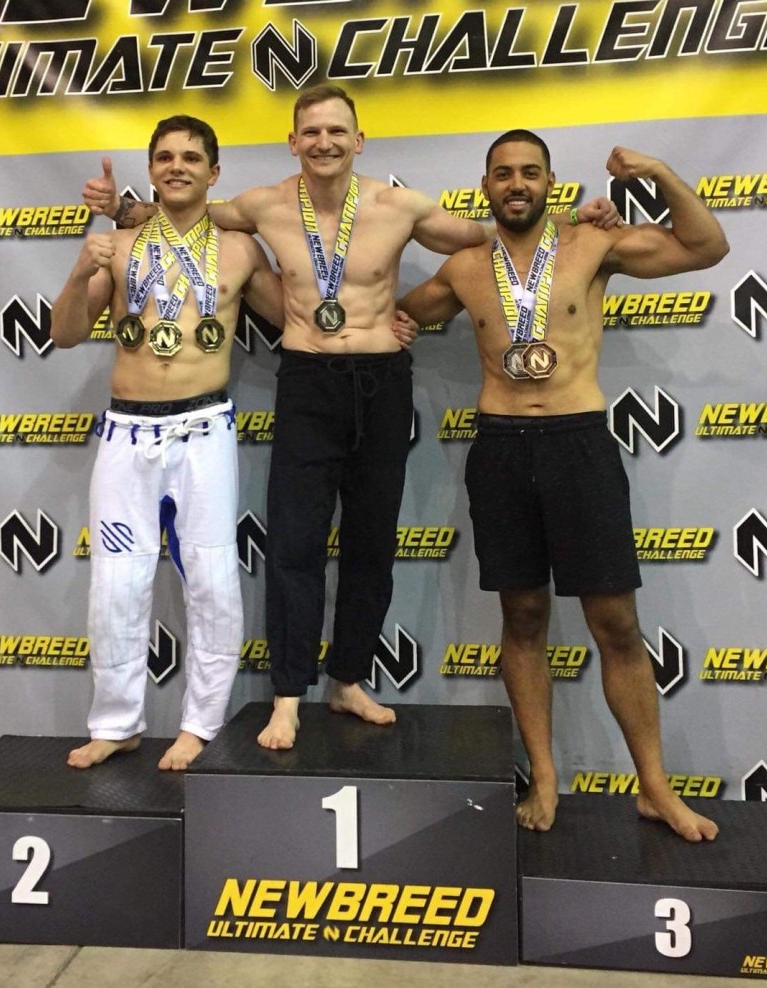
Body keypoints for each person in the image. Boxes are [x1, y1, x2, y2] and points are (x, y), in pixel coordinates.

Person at [83, 88, 618, 751]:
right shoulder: (265, 206)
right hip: (308, 383)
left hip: (382, 383)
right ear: (293, 141)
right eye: (311, 131)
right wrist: (124, 208)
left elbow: (496, 231)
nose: (325, 141)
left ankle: (350, 678)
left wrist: (572, 223)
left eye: (337, 130)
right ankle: (287, 696)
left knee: (371, 543)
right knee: (295, 545)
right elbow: (187, 212)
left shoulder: (399, 206)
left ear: (360, 140)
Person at [398, 131, 728, 842]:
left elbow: (705, 248)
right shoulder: (462, 268)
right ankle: (544, 777)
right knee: (522, 621)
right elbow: (398, 314)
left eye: (531, 173)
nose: (517, 183)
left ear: (550, 183)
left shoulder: (592, 246)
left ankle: (655, 788)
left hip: (580, 445)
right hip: (502, 450)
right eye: (504, 173)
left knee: (616, 625)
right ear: (484, 185)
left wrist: (659, 170)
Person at [52, 114, 283, 771]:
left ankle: (201, 724)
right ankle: (118, 723)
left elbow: (297, 319)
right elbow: (65, 333)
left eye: (190, 157)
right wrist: (79, 270)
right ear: (151, 170)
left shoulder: (239, 250)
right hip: (127, 431)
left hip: (204, 428)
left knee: (211, 581)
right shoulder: (120, 244)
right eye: (164, 157)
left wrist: (378, 322)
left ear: (215, 172)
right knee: (117, 585)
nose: (176, 165)